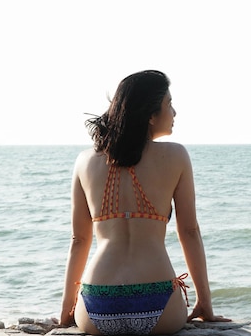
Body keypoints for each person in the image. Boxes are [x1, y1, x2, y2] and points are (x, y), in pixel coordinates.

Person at [59, 70, 230, 335]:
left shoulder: (84, 161)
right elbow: (189, 232)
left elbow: (79, 240)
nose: (175, 112)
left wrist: (66, 312)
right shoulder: (176, 156)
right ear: (150, 115)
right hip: (159, 304)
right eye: (169, 104)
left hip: (96, 306)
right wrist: (205, 304)